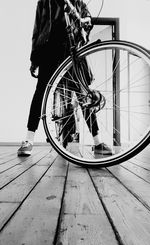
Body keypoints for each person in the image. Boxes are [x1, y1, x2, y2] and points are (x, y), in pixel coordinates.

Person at [17, 0, 113, 156]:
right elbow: (37, 30)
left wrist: (76, 13)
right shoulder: (43, 2)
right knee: (41, 93)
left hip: (72, 51)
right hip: (49, 49)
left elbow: (87, 23)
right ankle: (29, 140)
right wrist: (34, 59)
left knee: (83, 95)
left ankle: (98, 142)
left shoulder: (78, 2)